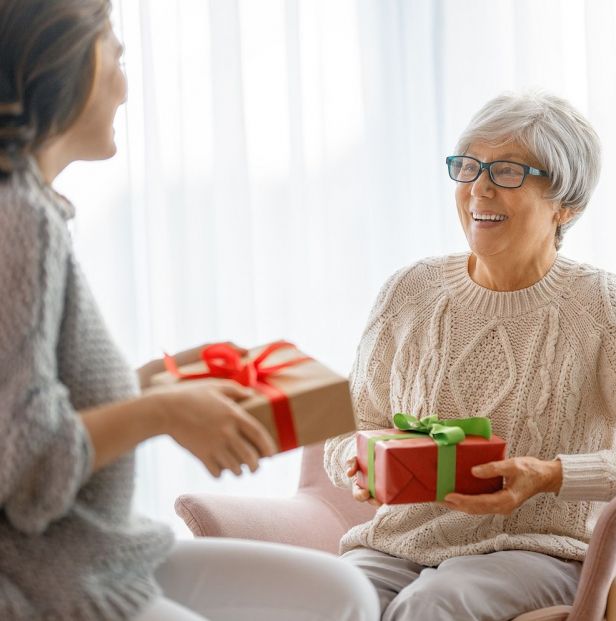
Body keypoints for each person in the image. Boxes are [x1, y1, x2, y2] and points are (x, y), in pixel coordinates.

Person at [0, 1, 380, 619]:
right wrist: (164, 409)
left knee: (342, 594)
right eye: (116, 57)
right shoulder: (21, 221)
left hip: (100, 554)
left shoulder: (32, 208)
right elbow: (26, 459)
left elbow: (31, 398)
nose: (125, 88)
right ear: (68, 64)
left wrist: (158, 381)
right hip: (53, 583)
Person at [325, 90, 616, 620]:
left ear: (565, 203)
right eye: (467, 167)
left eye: (506, 171)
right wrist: (360, 464)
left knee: (430, 607)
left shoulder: (602, 307)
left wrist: (551, 474)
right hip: (397, 543)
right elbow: (349, 421)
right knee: (328, 599)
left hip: (536, 551)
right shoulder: (409, 290)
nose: (478, 187)